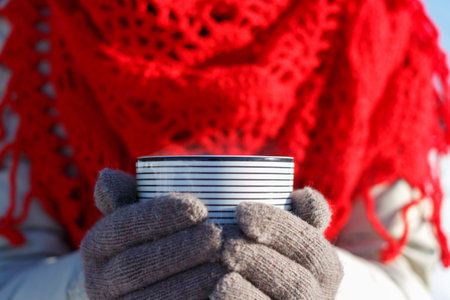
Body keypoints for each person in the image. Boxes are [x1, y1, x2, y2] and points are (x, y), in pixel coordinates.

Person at [0, 0, 449, 299]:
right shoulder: (29, 33)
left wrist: (325, 284)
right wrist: (91, 282)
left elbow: (411, 282)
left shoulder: (377, 24)